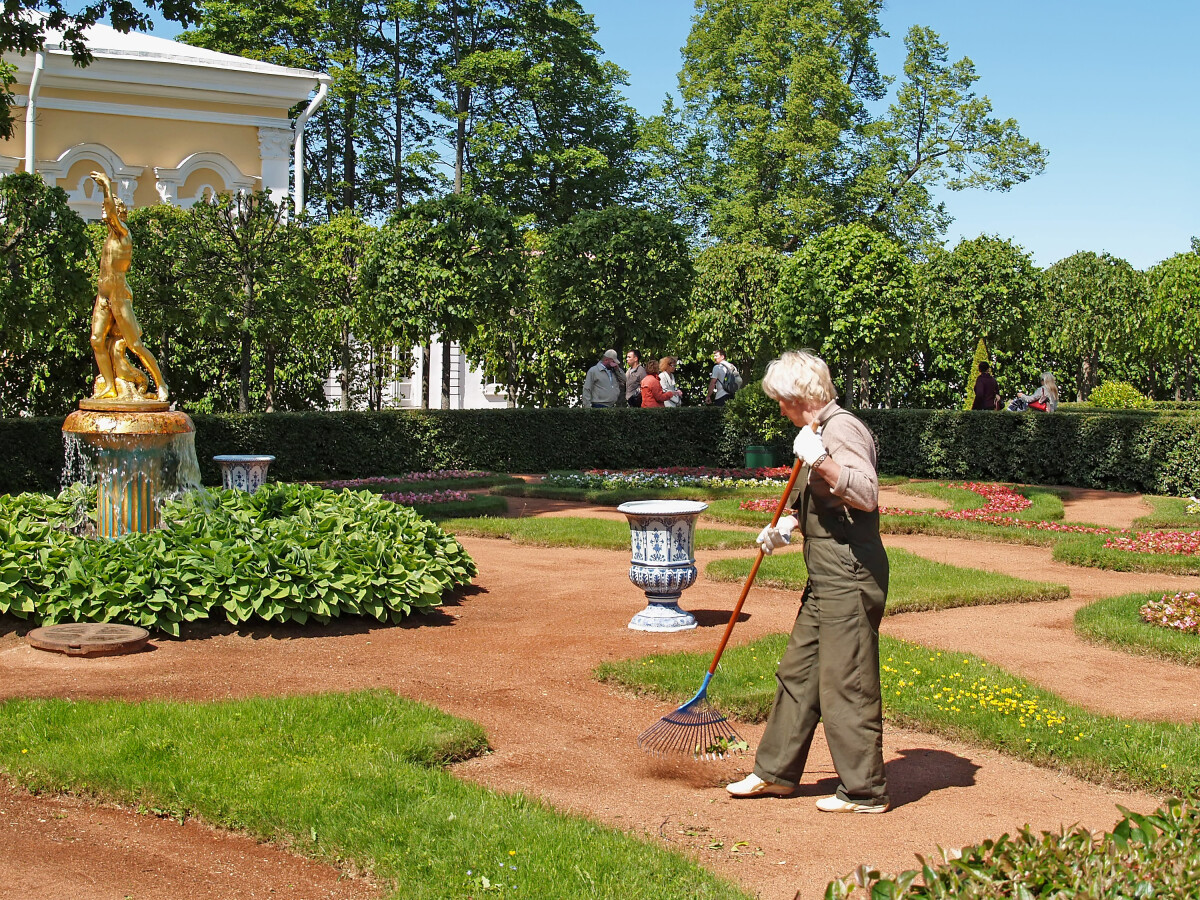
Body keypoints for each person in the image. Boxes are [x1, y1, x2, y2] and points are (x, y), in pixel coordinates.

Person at [726, 349, 890, 814]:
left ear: (800, 395)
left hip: (851, 573)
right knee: (798, 672)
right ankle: (775, 772)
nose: (778, 408)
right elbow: (819, 502)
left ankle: (865, 791)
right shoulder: (815, 431)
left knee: (846, 680)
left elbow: (866, 493)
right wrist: (786, 527)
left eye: (780, 399)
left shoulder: (842, 429)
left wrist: (822, 462)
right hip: (825, 573)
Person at [89, 170, 169, 401]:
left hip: (119, 297)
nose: (104, 210)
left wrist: (107, 187)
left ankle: (160, 383)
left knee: (135, 345)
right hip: (103, 296)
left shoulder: (123, 233)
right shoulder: (109, 237)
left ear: (121, 213)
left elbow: (112, 214)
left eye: (109, 207)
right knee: (96, 341)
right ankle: (110, 387)